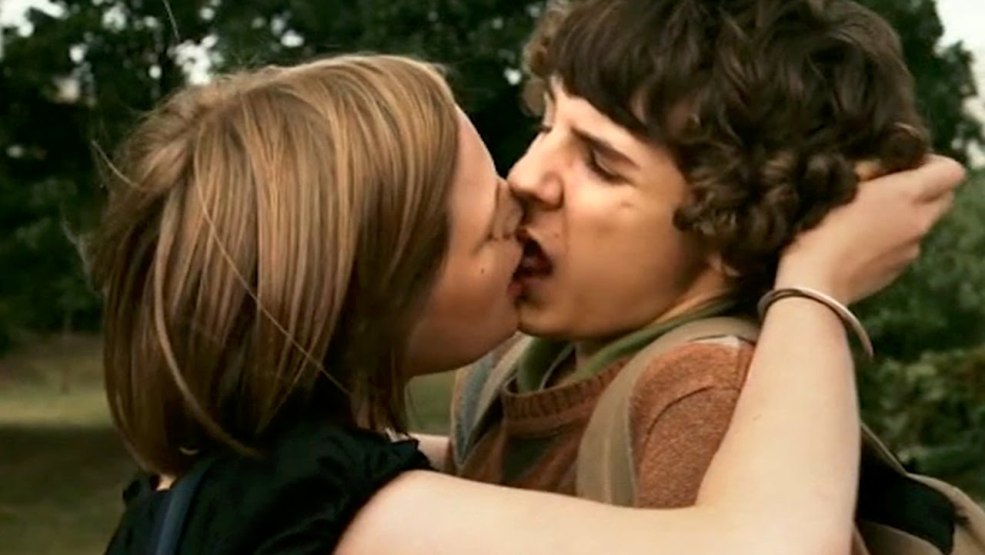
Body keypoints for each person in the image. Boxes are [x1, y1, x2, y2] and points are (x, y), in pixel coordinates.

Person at [92, 53, 963, 555]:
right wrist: (815, 281)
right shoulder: (326, 513)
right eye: (492, 227)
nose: (527, 189)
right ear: (377, 295)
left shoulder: (208, 486)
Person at [449, 0, 940, 510]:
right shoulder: (520, 363)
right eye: (547, 126)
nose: (526, 177)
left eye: (600, 164)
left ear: (734, 224)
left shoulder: (702, 399)